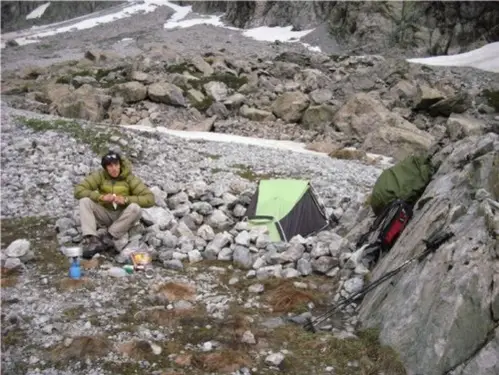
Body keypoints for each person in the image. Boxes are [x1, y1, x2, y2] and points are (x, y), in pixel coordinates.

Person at [74, 151, 155, 258]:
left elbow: (150, 199)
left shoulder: (129, 178)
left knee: (135, 208)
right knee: (84, 201)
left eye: (116, 164)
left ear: (120, 164)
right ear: (105, 167)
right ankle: (92, 239)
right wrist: (100, 197)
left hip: (123, 216)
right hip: (105, 213)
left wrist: (126, 199)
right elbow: (78, 190)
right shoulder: (100, 175)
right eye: (110, 165)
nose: (114, 168)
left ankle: (108, 238)